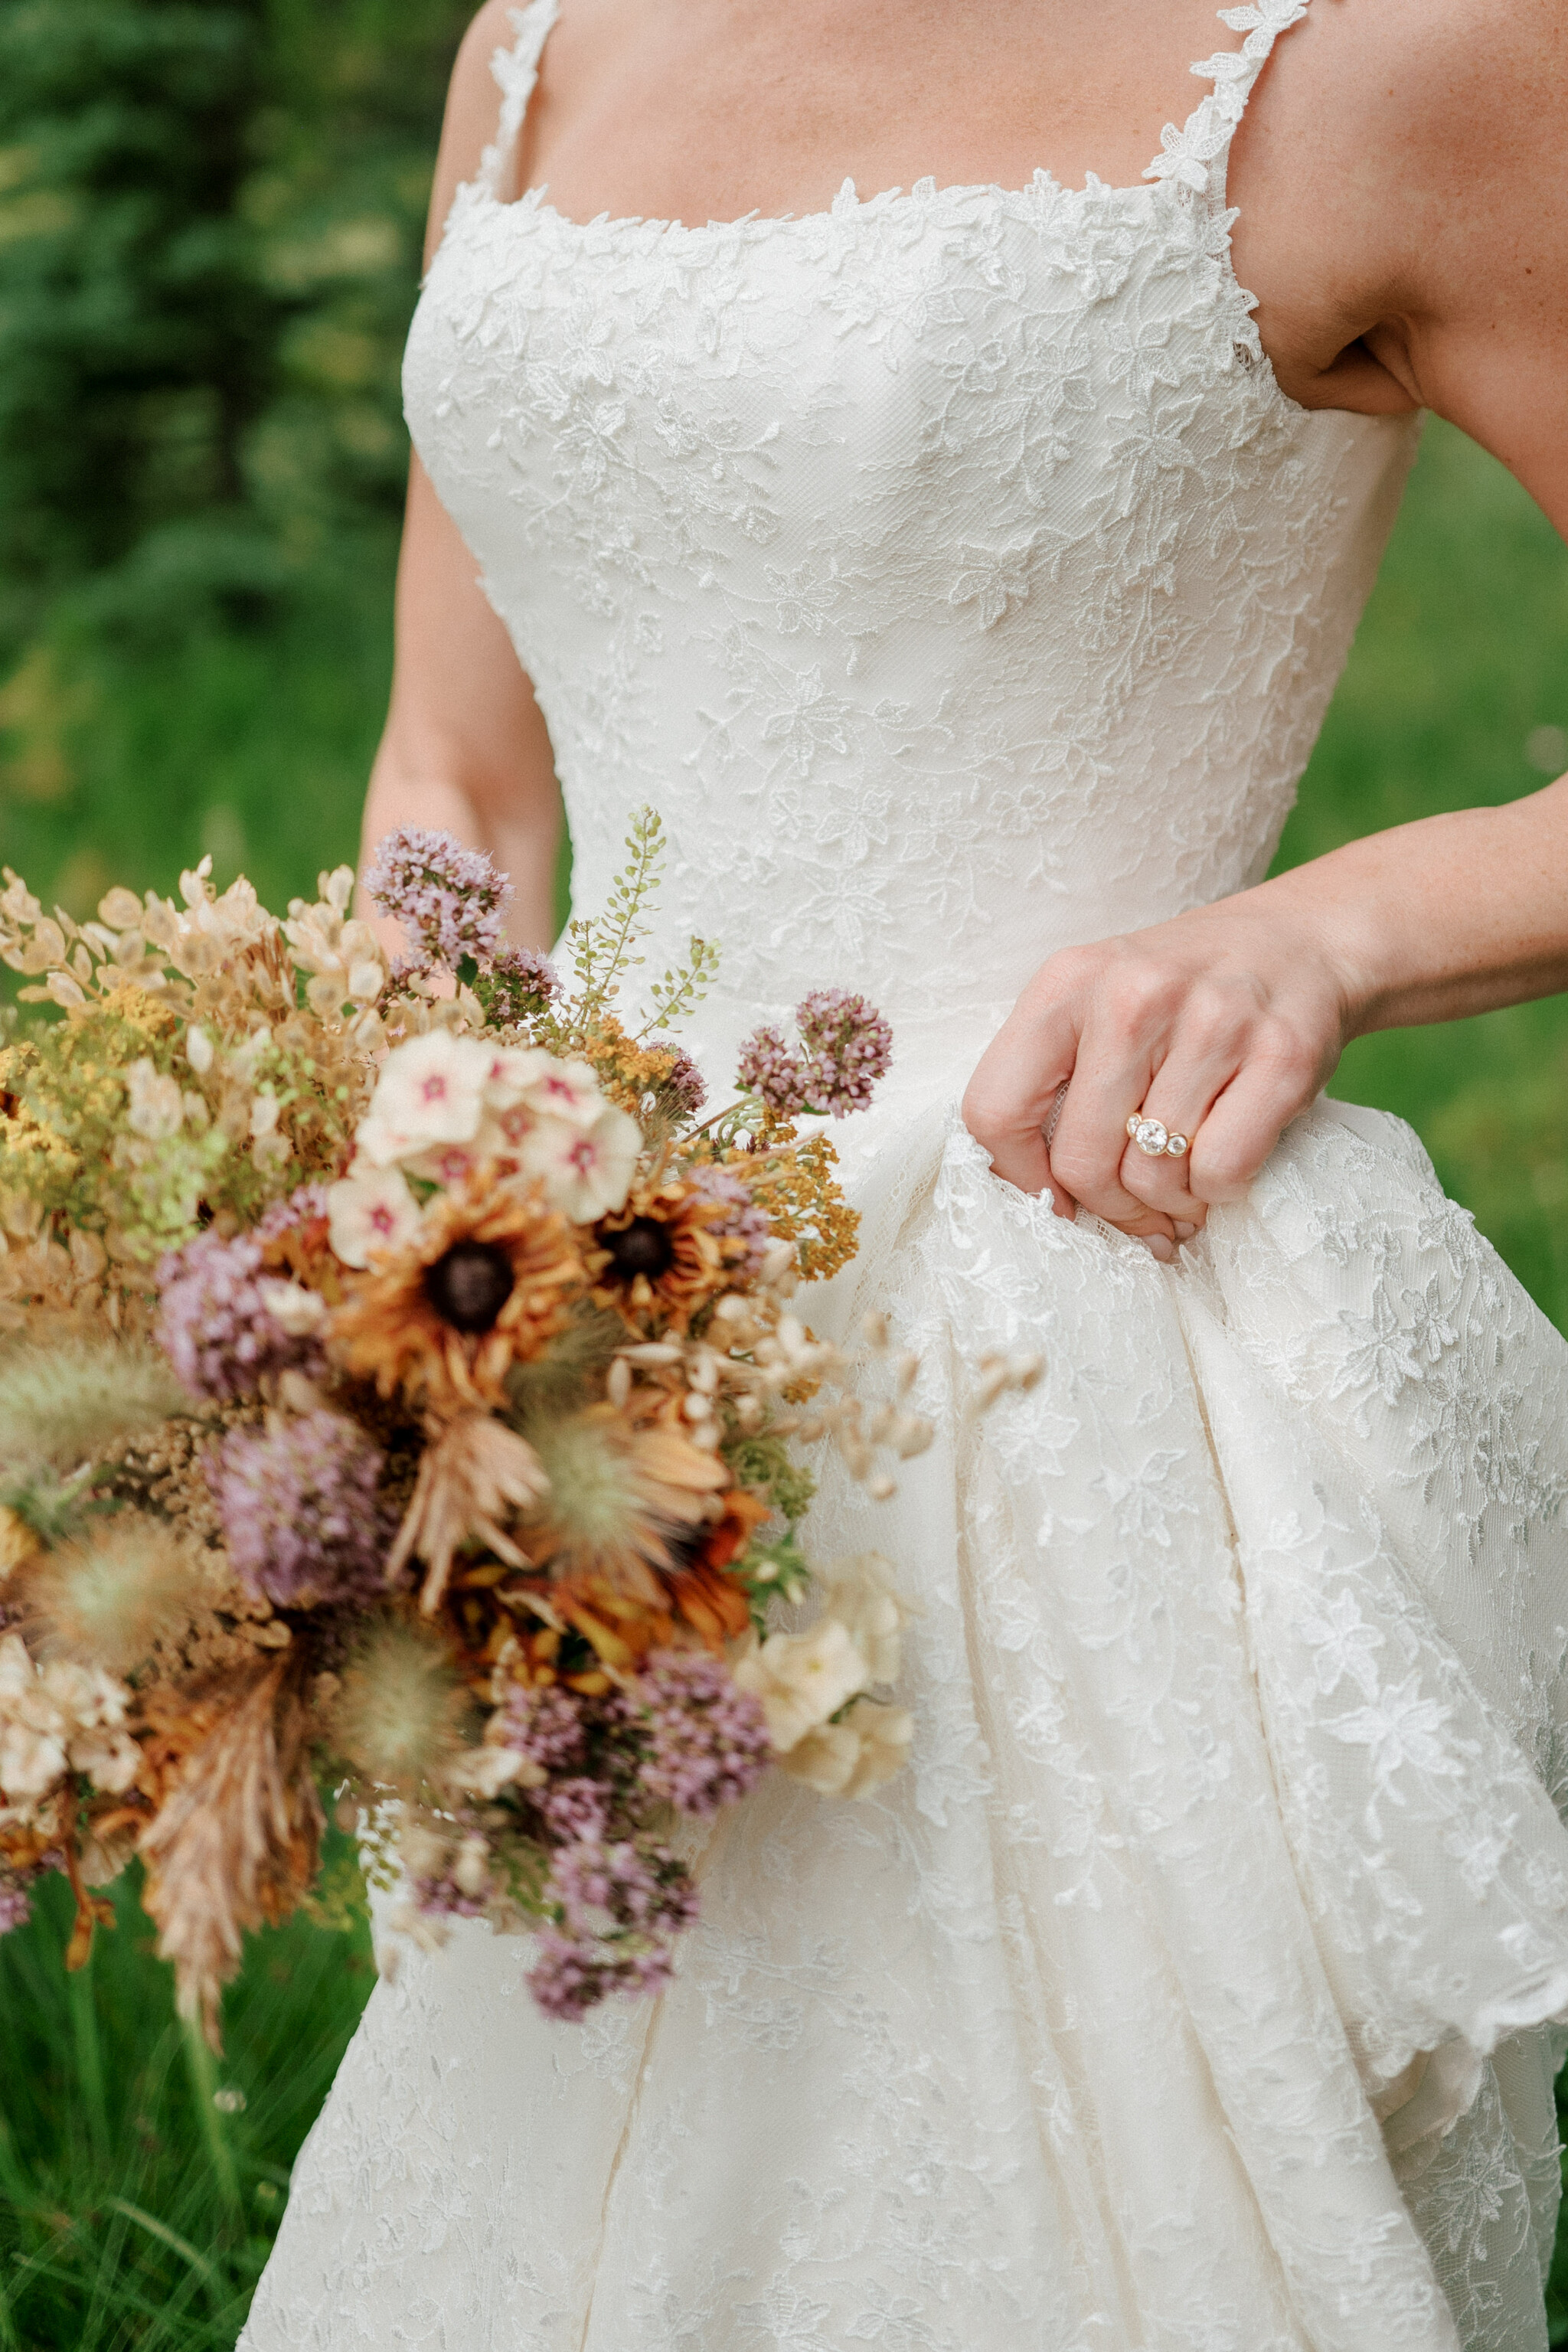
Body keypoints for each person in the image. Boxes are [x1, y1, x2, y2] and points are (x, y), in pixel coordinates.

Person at [240, 5, 1568, 2345]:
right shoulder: (534, 46)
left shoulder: (1398, 54)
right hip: (600, 1404)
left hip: (1076, 1375)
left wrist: (1323, 934)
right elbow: (458, 773)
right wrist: (409, 1270)